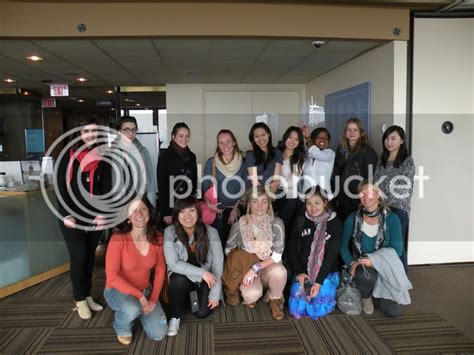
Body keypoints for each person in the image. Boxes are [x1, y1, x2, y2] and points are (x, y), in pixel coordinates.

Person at [56, 117, 111, 320]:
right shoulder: (67, 156)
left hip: (93, 217)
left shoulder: (102, 157)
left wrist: (103, 213)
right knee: (78, 257)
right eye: (86, 131)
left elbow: (105, 188)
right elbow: (61, 189)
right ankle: (78, 299)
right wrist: (65, 214)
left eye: (94, 131)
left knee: (89, 257)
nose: (91, 135)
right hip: (72, 217)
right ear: (79, 133)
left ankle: (87, 295)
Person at [340, 181, 411, 318]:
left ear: (379, 195)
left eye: (371, 193)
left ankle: (378, 289)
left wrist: (373, 261)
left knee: (392, 311)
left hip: (387, 266)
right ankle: (366, 297)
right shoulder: (353, 218)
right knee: (364, 275)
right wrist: (352, 263)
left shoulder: (392, 218)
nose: (366, 197)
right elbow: (343, 247)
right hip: (363, 267)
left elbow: (397, 250)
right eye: (362, 194)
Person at [104, 197, 167, 345]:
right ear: (128, 217)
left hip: (145, 290)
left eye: (143, 209)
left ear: (149, 213)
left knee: (159, 334)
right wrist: (140, 297)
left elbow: (160, 269)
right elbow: (112, 277)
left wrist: (152, 299)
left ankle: (137, 310)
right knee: (132, 308)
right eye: (134, 210)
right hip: (117, 290)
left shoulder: (157, 237)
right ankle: (122, 325)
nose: (139, 213)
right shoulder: (117, 239)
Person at [163, 196, 224, 336]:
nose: (188, 216)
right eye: (182, 212)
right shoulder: (170, 232)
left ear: (198, 212)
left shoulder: (211, 232)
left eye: (192, 210)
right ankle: (175, 317)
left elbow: (218, 265)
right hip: (183, 277)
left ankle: (186, 298)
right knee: (179, 279)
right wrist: (203, 273)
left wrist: (215, 293)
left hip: (202, 280)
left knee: (202, 312)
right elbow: (173, 263)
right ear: (177, 215)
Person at [224, 186, 287, 320]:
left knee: (280, 272)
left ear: (269, 203)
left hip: (268, 267)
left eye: (264, 201)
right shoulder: (239, 225)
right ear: (249, 204)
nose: (259, 206)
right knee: (251, 295)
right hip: (247, 270)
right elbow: (228, 250)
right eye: (255, 201)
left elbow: (276, 256)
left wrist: (256, 266)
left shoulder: (276, 223)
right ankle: (254, 291)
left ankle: (275, 298)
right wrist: (242, 263)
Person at [287, 186, 342, 319]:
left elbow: (332, 255)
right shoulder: (300, 221)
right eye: (309, 203)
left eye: (317, 203)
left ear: (325, 203)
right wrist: (300, 272)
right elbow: (292, 248)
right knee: (297, 308)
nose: (313, 207)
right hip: (303, 271)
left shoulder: (335, 223)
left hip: (326, 272)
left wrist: (318, 281)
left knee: (318, 304)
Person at [374, 125, 414, 270]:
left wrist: (382, 199)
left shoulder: (407, 161)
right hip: (380, 209)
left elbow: (403, 187)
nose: (389, 142)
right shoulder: (381, 160)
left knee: (397, 247)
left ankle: (401, 280)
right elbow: (375, 183)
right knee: (382, 245)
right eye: (387, 138)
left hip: (397, 210)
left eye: (393, 138)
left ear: (402, 140)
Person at [202, 129, 247, 248]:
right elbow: (205, 188)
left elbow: (246, 187)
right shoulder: (211, 162)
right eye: (221, 142)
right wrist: (209, 205)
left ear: (234, 143)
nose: (225, 145)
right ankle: (220, 266)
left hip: (237, 209)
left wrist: (236, 209)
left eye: (228, 141)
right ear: (218, 145)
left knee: (236, 244)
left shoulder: (243, 162)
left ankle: (233, 266)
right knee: (219, 243)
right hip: (218, 210)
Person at [331, 117, 378, 221]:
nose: (352, 132)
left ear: (361, 133)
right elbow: (336, 174)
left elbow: (370, 178)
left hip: (357, 198)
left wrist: (366, 199)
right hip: (342, 198)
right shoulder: (341, 150)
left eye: (355, 130)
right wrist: (335, 196)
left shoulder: (368, 152)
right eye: (349, 130)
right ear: (345, 133)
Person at [157, 122, 197, 225]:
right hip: (172, 206)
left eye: (187, 136)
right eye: (181, 136)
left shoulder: (192, 156)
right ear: (173, 136)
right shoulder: (165, 157)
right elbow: (163, 186)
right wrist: (166, 212)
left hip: (188, 205)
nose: (184, 139)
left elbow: (194, 182)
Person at [112, 115, 157, 207]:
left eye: (134, 129)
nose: (131, 133)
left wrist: (152, 205)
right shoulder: (111, 153)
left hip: (140, 202)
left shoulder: (143, 151)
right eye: (126, 129)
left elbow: (151, 181)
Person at [275, 126, 306, 235]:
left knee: (282, 226)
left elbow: (292, 182)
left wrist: (276, 182)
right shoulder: (276, 153)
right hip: (273, 195)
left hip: (290, 198)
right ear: (285, 138)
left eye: (296, 139)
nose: (292, 141)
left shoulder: (299, 159)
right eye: (290, 137)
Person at [245, 122, 283, 194]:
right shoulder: (250, 155)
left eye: (263, 135)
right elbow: (255, 183)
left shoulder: (277, 153)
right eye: (257, 136)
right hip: (256, 194)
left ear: (268, 134)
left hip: (273, 193)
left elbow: (276, 180)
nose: (261, 139)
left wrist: (273, 188)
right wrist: (265, 197)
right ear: (253, 138)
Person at [302, 127, 335, 198]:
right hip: (306, 197)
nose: (322, 140)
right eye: (319, 137)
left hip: (324, 197)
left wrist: (307, 138)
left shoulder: (330, 154)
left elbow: (315, 153)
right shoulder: (306, 155)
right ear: (313, 140)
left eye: (326, 138)